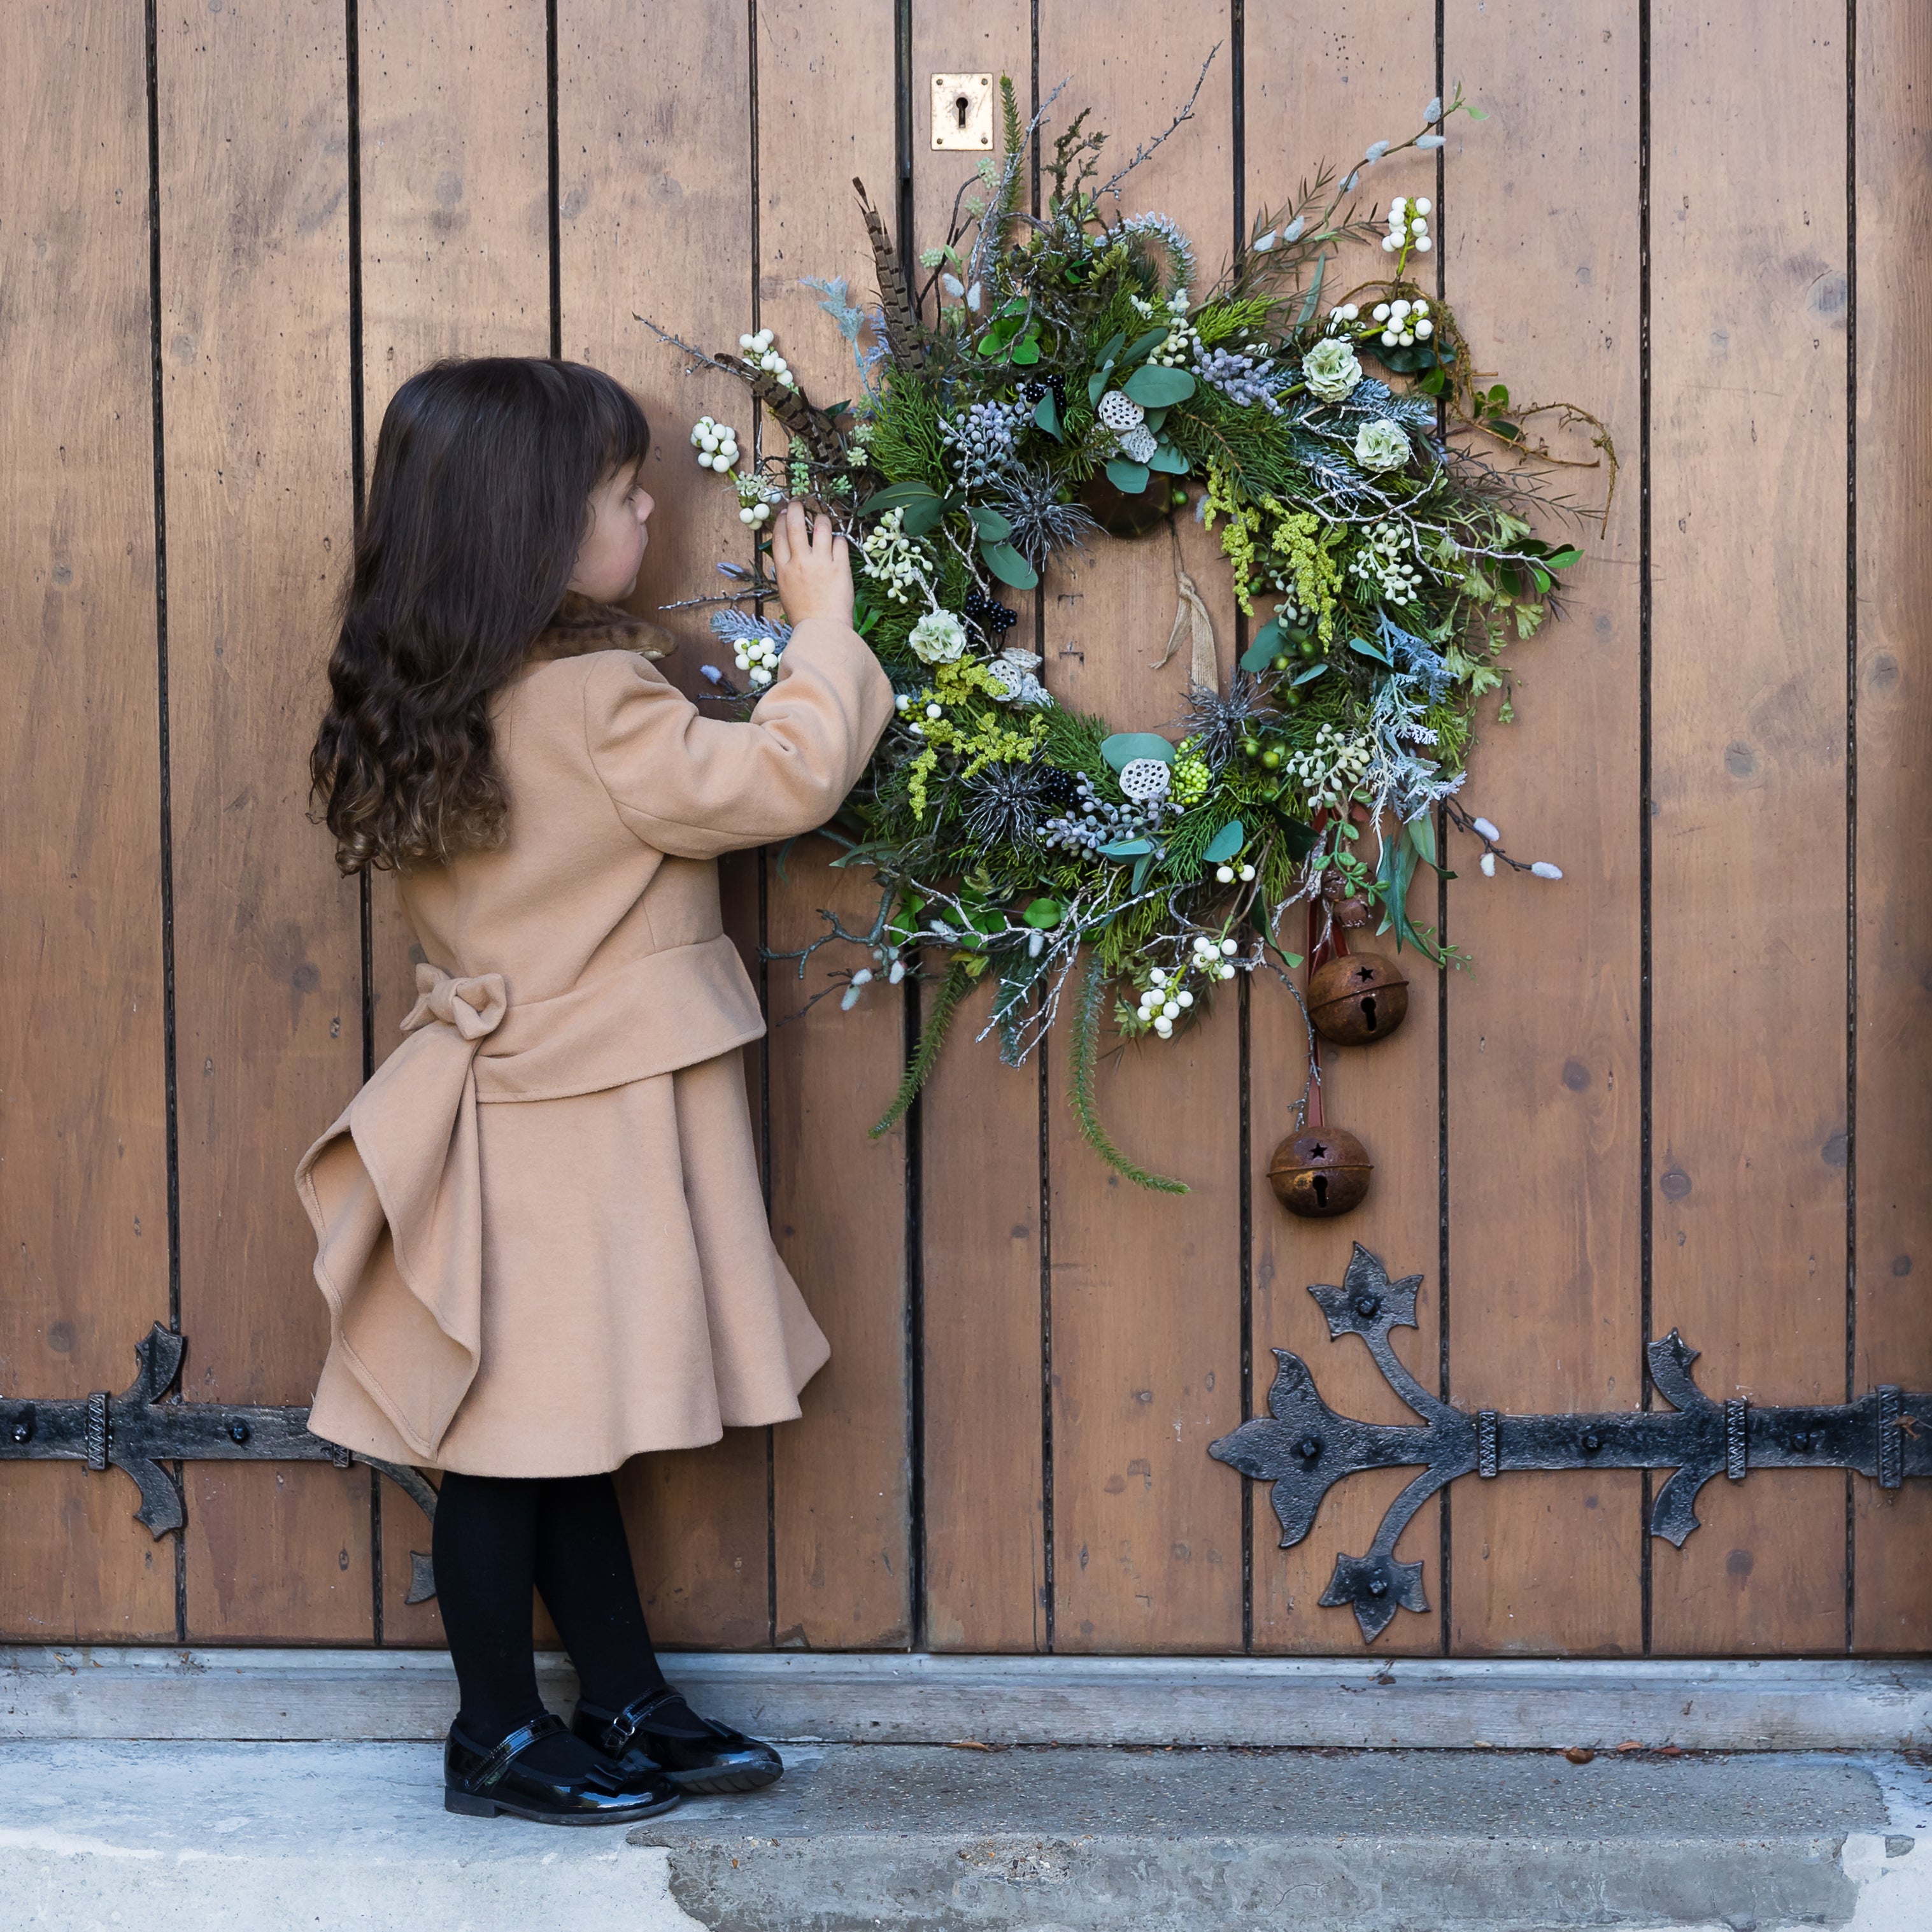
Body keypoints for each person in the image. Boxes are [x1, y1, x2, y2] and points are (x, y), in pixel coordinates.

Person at [297, 357, 893, 1826]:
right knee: (512, 1448)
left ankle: (621, 1692)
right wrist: (826, 633)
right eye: (627, 497)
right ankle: (494, 1732)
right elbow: (784, 778)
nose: (648, 511)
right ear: (539, 532)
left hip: (507, 1102)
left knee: (548, 1427)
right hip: (583, 1108)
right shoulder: (596, 703)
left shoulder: (425, 694)